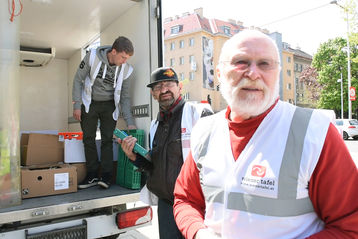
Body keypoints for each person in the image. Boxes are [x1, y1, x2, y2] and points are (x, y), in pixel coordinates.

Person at [173, 30, 358, 239]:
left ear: (277, 72)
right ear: (219, 73)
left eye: (264, 64)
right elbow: (185, 200)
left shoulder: (315, 132)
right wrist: (199, 233)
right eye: (241, 62)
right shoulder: (205, 131)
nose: (253, 73)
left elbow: (350, 226)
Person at [118, 67, 213, 239]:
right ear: (153, 94)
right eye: (157, 87)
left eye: (168, 84)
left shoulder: (198, 114)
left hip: (196, 206)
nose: (164, 90)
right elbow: (154, 166)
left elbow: (215, 160)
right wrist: (133, 156)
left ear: (179, 87)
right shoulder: (155, 125)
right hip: (167, 205)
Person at [72, 36, 136, 189]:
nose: (124, 61)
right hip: (90, 102)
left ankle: (106, 176)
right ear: (113, 51)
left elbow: (125, 97)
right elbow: (77, 79)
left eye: (127, 58)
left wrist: (130, 122)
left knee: (107, 140)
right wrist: (76, 104)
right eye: (123, 57)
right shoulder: (92, 56)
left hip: (109, 105)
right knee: (88, 138)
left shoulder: (126, 70)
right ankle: (92, 175)